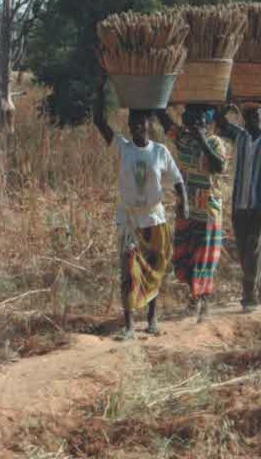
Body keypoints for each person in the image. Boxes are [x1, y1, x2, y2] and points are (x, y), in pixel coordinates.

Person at [93, 86, 188, 339]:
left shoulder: (159, 152)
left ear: (149, 123)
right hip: (129, 219)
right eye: (132, 121)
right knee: (128, 271)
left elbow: (177, 180)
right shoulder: (122, 147)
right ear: (129, 124)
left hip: (154, 219)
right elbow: (99, 121)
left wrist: (184, 203)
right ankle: (129, 325)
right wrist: (101, 86)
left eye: (141, 120)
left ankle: (152, 319)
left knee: (153, 270)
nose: (137, 125)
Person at [156, 105, 227, 322]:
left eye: (200, 118)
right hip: (187, 209)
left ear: (206, 121)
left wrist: (202, 140)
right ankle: (196, 298)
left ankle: (201, 302)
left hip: (208, 210)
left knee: (204, 260)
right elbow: (165, 121)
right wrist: (158, 99)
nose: (195, 122)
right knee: (184, 258)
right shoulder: (183, 139)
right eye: (191, 118)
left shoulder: (215, 142)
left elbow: (218, 167)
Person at [216, 103, 261, 312]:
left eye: (259, 114)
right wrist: (226, 106)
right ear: (245, 119)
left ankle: (249, 297)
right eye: (251, 115)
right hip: (239, 203)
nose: (256, 118)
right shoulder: (240, 137)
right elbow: (220, 123)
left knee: (254, 248)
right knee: (245, 251)